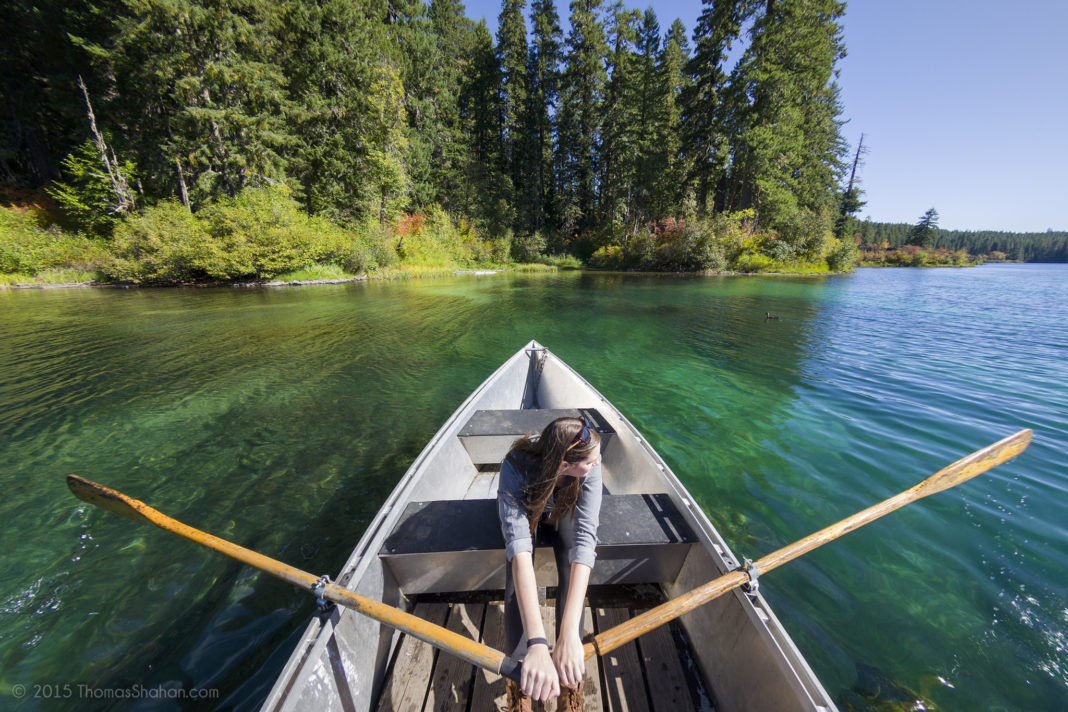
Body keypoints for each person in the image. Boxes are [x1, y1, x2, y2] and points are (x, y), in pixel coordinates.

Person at [497, 415, 603, 709]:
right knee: (516, 573)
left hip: (560, 510)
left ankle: (569, 681)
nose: (597, 463)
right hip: (528, 505)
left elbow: (585, 543)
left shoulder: (589, 465)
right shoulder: (515, 467)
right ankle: (522, 677)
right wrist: (538, 644)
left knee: (571, 560)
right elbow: (519, 551)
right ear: (565, 465)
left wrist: (570, 635)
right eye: (591, 462)